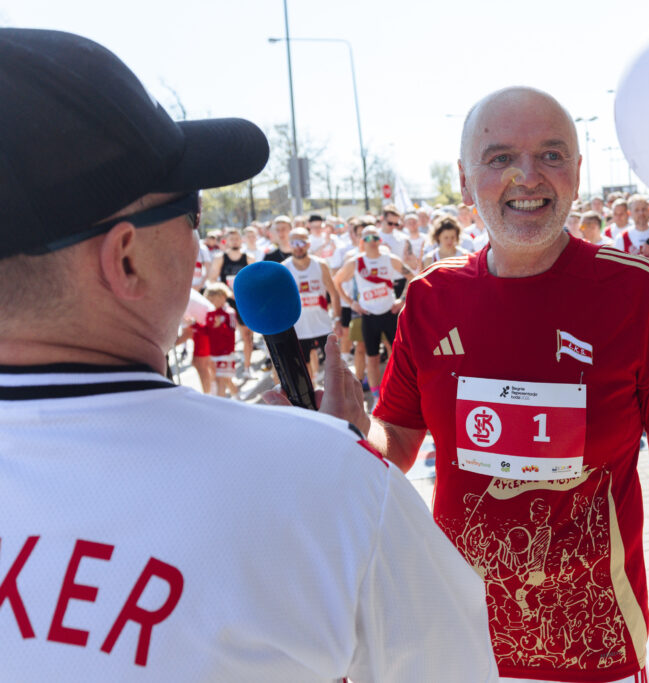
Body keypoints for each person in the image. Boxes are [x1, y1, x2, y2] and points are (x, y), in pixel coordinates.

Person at [0, 28, 497, 682]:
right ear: (125, 259)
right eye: (191, 213)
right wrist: (330, 467)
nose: (198, 243)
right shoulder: (325, 479)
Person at [290, 86, 649, 683]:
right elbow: (399, 439)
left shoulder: (636, 293)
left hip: (594, 650)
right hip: (451, 640)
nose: (528, 176)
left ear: (576, 173)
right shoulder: (432, 299)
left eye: (551, 154)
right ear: (466, 183)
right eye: (500, 158)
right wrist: (349, 437)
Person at [333, 225, 409, 407]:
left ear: (380, 240)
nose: (372, 241)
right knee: (372, 358)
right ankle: (376, 398)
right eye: (367, 238)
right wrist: (351, 303)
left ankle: (396, 391)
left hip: (390, 313)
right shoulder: (355, 262)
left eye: (375, 237)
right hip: (368, 315)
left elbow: (413, 277)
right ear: (361, 242)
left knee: (396, 355)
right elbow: (337, 281)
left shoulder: (389, 258)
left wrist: (402, 300)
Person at [282, 227, 344, 381]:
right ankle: (312, 393)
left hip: (322, 325)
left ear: (308, 244)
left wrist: (337, 319)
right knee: (304, 368)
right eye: (294, 243)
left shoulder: (320, 264)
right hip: (298, 328)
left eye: (301, 242)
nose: (298, 246)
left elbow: (334, 293)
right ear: (289, 245)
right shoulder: (284, 268)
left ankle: (334, 393)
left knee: (334, 365)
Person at [207, 227, 255, 377]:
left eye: (237, 239)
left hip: (244, 302)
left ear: (241, 240)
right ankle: (227, 371)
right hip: (227, 303)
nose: (235, 241)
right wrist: (228, 292)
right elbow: (212, 280)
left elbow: (255, 280)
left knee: (247, 336)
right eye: (231, 239)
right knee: (228, 337)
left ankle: (247, 367)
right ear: (226, 241)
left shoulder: (249, 258)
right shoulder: (220, 258)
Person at [201, 282, 240, 398]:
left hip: (225, 352)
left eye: (212, 300)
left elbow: (232, 331)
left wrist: (221, 326)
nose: (210, 303)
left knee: (221, 379)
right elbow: (206, 330)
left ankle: (223, 403)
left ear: (222, 297)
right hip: (213, 352)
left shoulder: (229, 312)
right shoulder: (210, 312)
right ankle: (237, 397)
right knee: (224, 379)